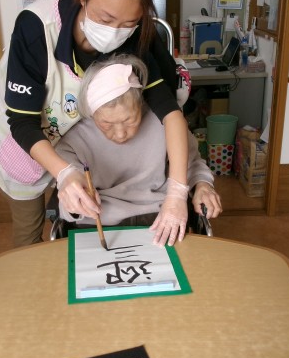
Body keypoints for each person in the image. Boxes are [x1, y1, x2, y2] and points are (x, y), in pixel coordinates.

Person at [0, 0, 191, 247]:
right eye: (106, 19)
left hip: (72, 134)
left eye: (129, 23)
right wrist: (64, 173)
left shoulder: (136, 36)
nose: (115, 33)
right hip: (23, 135)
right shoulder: (37, 27)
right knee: (29, 228)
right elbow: (22, 121)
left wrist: (177, 193)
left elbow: (170, 113)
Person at [55, 54, 222, 245]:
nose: (120, 134)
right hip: (97, 222)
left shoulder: (164, 122)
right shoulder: (73, 139)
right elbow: (69, 196)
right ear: (92, 114)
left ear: (140, 103)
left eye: (129, 120)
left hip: (161, 216)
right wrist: (75, 202)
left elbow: (193, 162)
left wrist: (202, 185)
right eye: (107, 124)